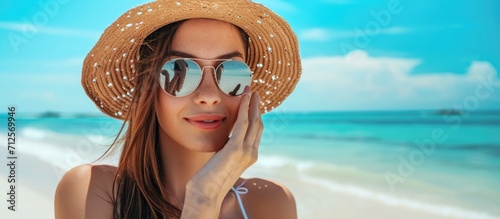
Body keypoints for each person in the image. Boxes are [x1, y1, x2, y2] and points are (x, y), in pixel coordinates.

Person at [55, 0, 301, 218]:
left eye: (230, 72)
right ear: (146, 85)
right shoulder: (92, 192)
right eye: (180, 71)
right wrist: (202, 200)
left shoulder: (270, 202)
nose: (209, 96)